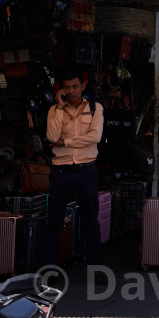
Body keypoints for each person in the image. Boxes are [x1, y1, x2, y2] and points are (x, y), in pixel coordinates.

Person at [45, 70, 104, 266]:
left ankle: (95, 266)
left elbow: (95, 137)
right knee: (54, 222)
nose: (71, 91)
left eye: (75, 86)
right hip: (60, 171)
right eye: (67, 87)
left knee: (91, 221)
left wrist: (67, 141)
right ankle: (52, 268)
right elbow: (53, 138)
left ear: (83, 86)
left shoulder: (95, 109)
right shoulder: (55, 110)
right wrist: (60, 108)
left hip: (86, 170)